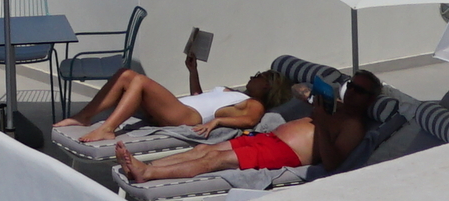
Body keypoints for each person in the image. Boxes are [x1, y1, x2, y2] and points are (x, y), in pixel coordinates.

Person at [123, 72, 375, 183]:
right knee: (202, 150)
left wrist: (320, 123)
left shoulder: (353, 125)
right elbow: (297, 89)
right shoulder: (334, 107)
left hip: (286, 152)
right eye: (351, 85)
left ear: (370, 98)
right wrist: (315, 97)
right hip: (268, 139)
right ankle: (148, 166)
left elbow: (332, 164)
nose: (353, 91)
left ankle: (149, 175)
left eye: (360, 90)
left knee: (214, 159)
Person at [59, 67, 297, 157]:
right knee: (125, 74)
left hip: (185, 116)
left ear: (267, 86)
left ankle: (108, 129)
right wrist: (192, 70)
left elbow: (250, 120)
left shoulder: (254, 103)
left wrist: (217, 122)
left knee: (138, 80)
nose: (252, 76)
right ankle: (85, 116)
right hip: (183, 107)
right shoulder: (234, 92)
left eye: (258, 76)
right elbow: (200, 97)